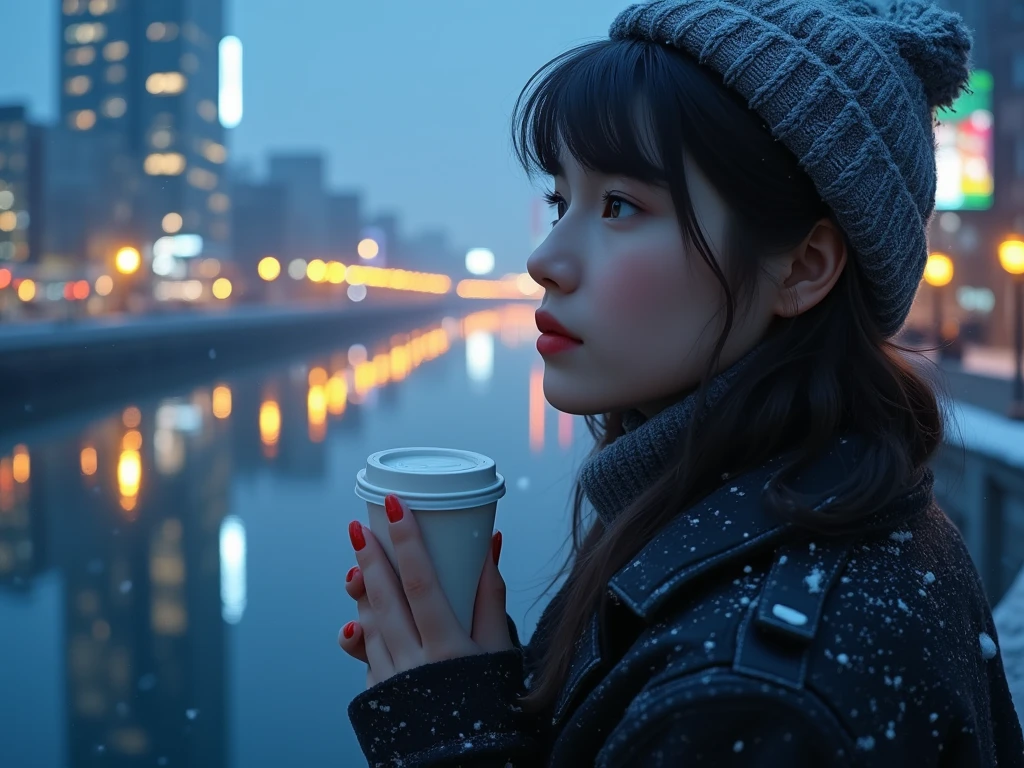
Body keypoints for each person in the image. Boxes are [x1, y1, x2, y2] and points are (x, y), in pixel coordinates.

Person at [338, 0, 1024, 765]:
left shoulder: (756, 705)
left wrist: (450, 735)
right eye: (562, 201)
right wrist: (485, 693)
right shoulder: (837, 515)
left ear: (803, 268)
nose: (544, 259)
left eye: (622, 205)